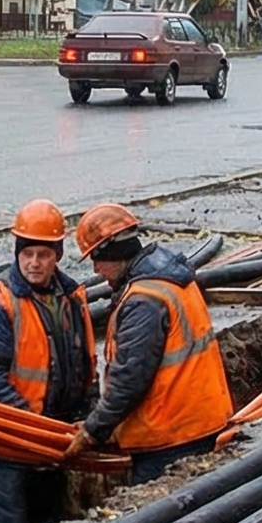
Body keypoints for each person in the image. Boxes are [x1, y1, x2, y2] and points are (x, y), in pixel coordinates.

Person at [59, 203, 233, 480]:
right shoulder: (168, 279)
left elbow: (129, 378)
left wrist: (93, 430)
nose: (96, 269)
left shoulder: (144, 300)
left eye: (96, 258)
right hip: (195, 421)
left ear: (113, 252)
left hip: (170, 436)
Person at [0, 199, 97, 523]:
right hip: (8, 442)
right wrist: (32, 427)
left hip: (55, 441)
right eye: (28, 254)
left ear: (57, 255)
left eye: (43, 254)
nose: (34, 263)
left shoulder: (72, 297)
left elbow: (85, 365)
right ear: (17, 253)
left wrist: (88, 416)